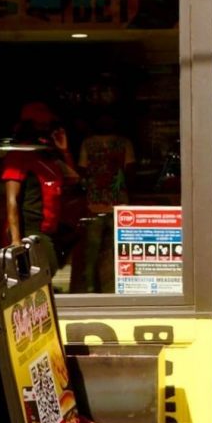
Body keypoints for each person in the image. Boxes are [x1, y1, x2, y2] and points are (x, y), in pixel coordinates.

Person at [2, 101, 84, 279]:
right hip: (31, 229)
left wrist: (65, 151)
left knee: (48, 271)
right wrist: (15, 241)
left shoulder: (48, 156)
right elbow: (12, 200)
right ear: (28, 126)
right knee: (44, 272)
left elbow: (74, 179)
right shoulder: (18, 155)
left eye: (47, 125)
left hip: (51, 228)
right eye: (40, 125)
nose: (44, 129)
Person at [77, 113, 136, 292]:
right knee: (115, 251)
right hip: (118, 205)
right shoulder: (124, 143)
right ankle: (112, 287)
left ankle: (91, 288)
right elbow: (131, 171)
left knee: (94, 251)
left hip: (96, 203)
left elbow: (82, 171)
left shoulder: (88, 143)